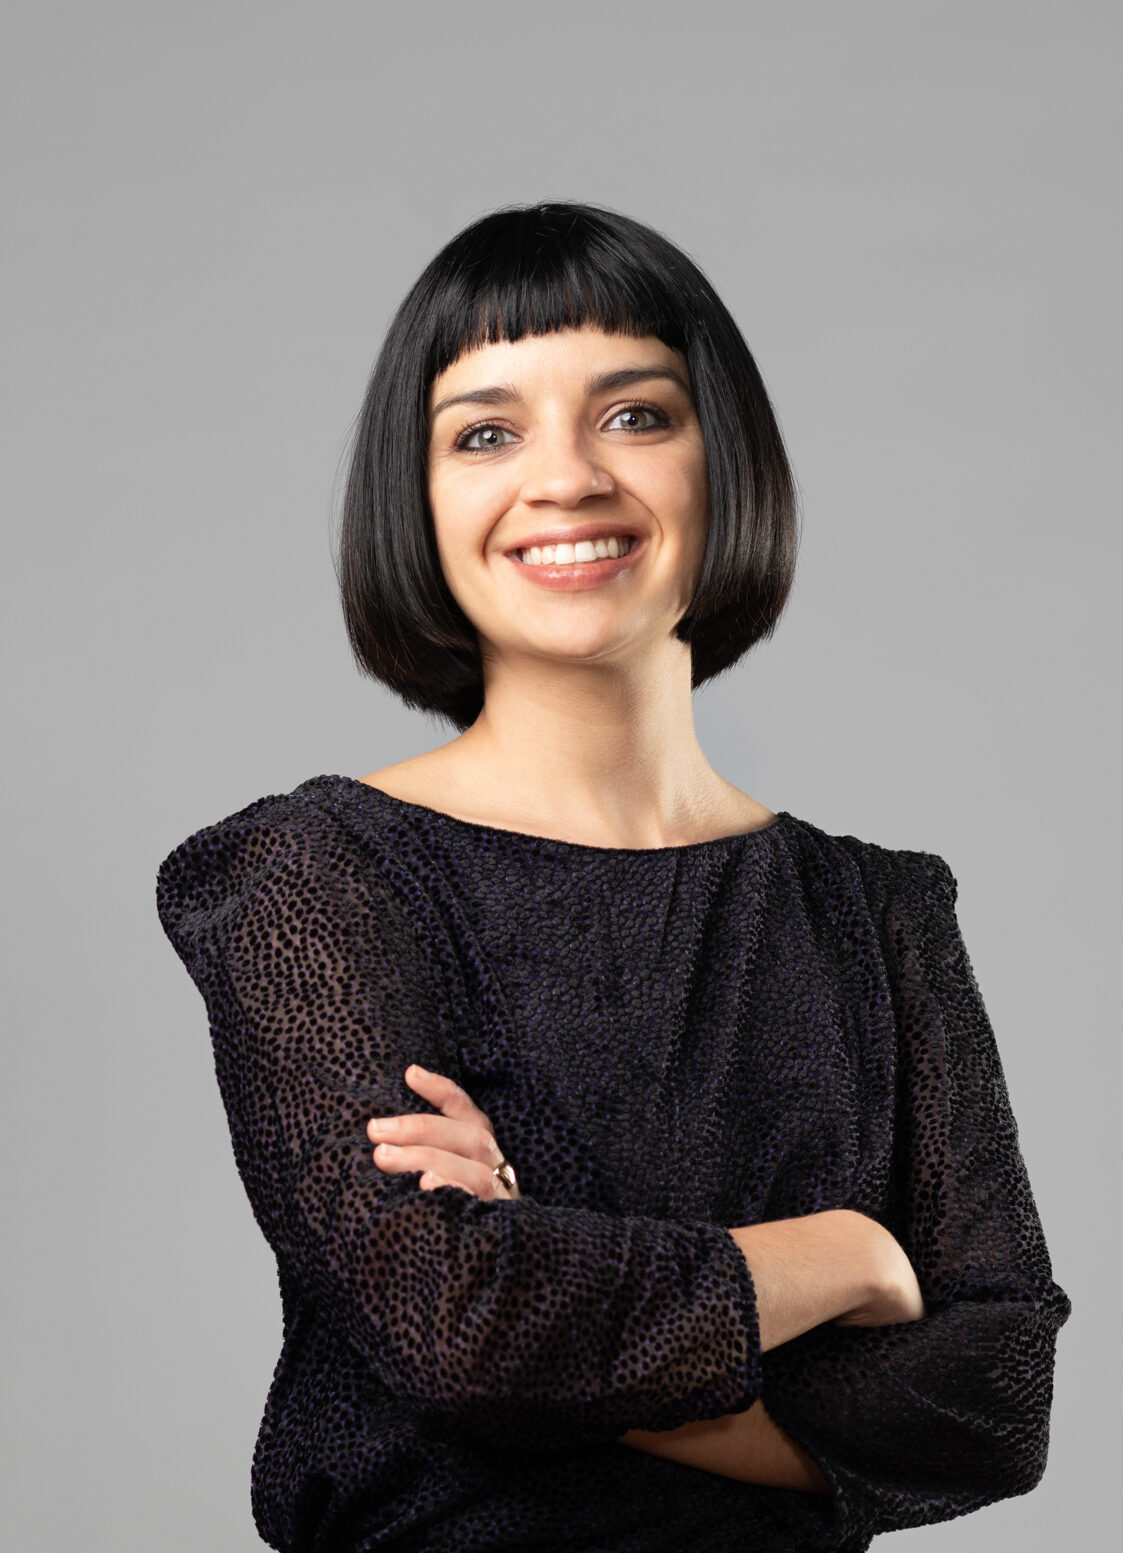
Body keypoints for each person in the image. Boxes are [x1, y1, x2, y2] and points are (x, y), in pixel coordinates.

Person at [156, 200, 1071, 1553]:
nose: (568, 478)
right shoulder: (314, 876)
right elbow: (454, 1327)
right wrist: (842, 1257)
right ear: (416, 499)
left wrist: (562, 1300)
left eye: (635, 415)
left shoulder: (880, 916)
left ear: (724, 461)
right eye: (486, 433)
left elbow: (994, 1398)